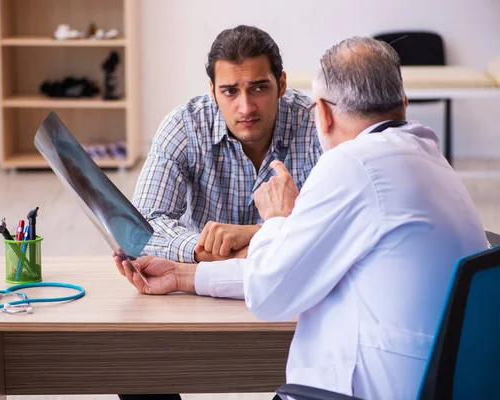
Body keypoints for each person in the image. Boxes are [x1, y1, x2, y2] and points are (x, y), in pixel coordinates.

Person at [116, 37, 488, 399]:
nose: (245, 106)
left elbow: (270, 294)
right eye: (230, 91)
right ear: (403, 103)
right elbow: (301, 258)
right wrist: (186, 274)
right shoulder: (430, 158)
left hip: (365, 388)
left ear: (321, 113)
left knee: (133, 365)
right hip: (441, 377)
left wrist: (278, 220)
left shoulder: (351, 165)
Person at [133, 25, 321, 264]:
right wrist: (205, 251)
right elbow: (140, 228)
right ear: (213, 92)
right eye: (230, 91)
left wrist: (254, 234)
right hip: (201, 283)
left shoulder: (315, 124)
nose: (246, 108)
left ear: (281, 84)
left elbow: (342, 219)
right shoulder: (185, 126)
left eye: (259, 88)